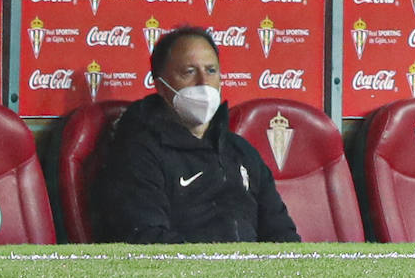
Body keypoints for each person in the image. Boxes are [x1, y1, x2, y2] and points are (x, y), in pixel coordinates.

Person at [95, 26, 300, 244]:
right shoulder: (138, 152)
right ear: (161, 86)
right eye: (189, 72)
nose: (203, 83)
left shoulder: (241, 152)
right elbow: (148, 241)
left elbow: (283, 235)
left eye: (211, 70)